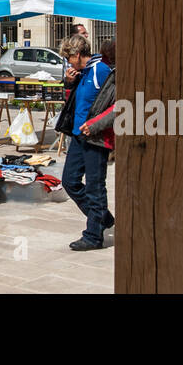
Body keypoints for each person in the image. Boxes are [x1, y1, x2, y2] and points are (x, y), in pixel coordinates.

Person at [56, 34, 114, 251]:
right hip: (78, 136)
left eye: (68, 58)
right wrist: (69, 82)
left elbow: (117, 103)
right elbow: (76, 101)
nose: (67, 62)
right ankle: (102, 218)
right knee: (70, 181)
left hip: (96, 137)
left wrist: (96, 124)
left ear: (77, 54)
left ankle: (93, 236)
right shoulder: (83, 72)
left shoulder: (101, 70)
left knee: (95, 186)